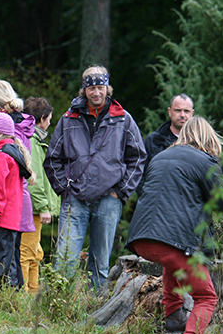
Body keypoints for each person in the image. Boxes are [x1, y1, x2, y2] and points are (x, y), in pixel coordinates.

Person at [126, 116, 223, 334]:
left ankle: (174, 318)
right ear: (209, 139)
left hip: (142, 238)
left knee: (172, 263)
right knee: (206, 297)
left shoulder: (160, 156)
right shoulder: (205, 161)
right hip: (172, 240)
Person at [44, 65, 146, 290]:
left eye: (101, 87)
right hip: (74, 199)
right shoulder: (68, 119)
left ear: (108, 88)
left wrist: (120, 192)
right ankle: (58, 305)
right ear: (84, 90)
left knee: (100, 264)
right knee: (65, 260)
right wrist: (64, 189)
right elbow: (52, 159)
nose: (96, 92)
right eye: (91, 88)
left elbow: (138, 158)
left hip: (109, 199)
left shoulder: (123, 119)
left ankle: (96, 307)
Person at [0, 79, 35, 285]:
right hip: (12, 217)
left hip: (0, 217)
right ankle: (12, 297)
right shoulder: (12, 151)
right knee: (10, 262)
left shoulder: (0, 155)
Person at [20, 96, 60, 293]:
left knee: (36, 251)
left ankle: (34, 290)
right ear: (42, 118)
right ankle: (24, 294)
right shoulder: (32, 142)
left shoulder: (31, 139)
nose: (50, 123)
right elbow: (33, 178)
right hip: (33, 209)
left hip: (33, 207)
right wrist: (43, 207)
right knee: (28, 252)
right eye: (49, 119)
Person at [138, 94, 195, 193]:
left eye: (186, 111)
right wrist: (148, 197)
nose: (182, 115)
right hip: (157, 200)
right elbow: (139, 174)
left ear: (192, 113)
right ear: (169, 111)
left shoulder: (201, 143)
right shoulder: (153, 141)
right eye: (178, 110)